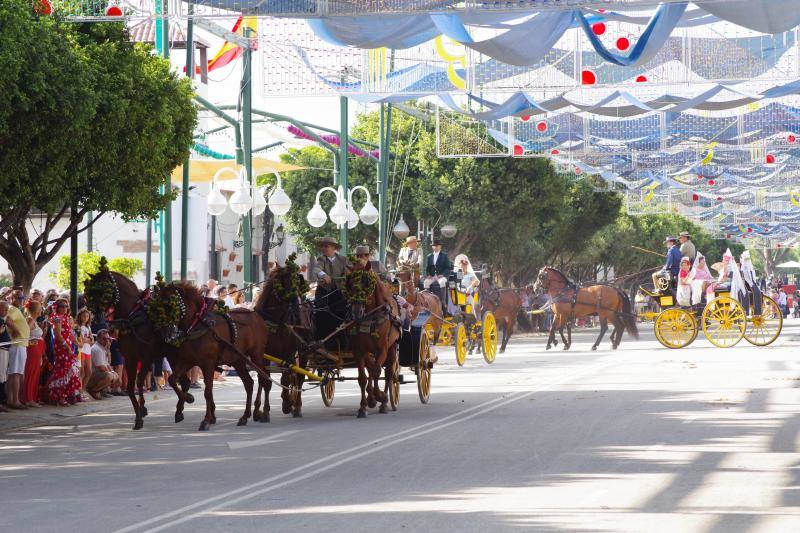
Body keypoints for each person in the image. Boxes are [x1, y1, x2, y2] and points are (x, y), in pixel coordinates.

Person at [46, 299, 81, 406]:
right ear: (57, 307)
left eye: (66, 306)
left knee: (69, 370)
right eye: (62, 306)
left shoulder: (66, 318)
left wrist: (76, 342)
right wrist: (68, 348)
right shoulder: (56, 318)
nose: (65, 308)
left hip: (68, 346)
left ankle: (67, 395)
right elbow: (58, 336)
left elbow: (70, 333)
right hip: (62, 348)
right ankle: (59, 397)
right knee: (62, 371)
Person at [1, 298, 30, 409]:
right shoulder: (12, 309)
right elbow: (8, 320)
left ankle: (11, 399)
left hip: (20, 345)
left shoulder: (16, 309)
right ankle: (14, 400)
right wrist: (16, 330)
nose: (21, 299)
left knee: (14, 373)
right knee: (15, 373)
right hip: (17, 345)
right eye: (18, 297)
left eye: (22, 297)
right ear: (12, 299)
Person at [21, 301, 45, 407]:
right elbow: (25, 334)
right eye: (40, 307)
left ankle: (33, 397)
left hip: (38, 350)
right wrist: (30, 341)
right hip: (33, 350)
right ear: (35, 309)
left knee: (35, 374)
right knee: (30, 374)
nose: (41, 310)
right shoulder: (30, 320)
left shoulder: (34, 321)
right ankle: (28, 398)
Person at [86, 330, 120, 400]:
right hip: (91, 377)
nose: (106, 341)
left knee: (114, 375)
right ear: (98, 338)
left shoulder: (103, 348)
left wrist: (116, 375)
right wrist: (113, 375)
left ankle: (101, 391)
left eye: (108, 339)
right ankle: (94, 390)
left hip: (97, 374)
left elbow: (108, 364)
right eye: (104, 338)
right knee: (109, 376)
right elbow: (102, 368)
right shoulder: (97, 349)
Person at [425, 240, 451, 305]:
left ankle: (443, 301)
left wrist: (443, 274)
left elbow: (448, 267)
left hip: (442, 276)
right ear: (432, 247)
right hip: (432, 276)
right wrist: (428, 275)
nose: (435, 247)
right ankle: (427, 300)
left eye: (437, 246)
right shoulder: (429, 256)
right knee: (426, 282)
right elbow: (427, 268)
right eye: (434, 246)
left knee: (442, 282)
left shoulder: (444, 255)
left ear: (440, 246)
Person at [75, 308, 94, 399]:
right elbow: (82, 339)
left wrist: (88, 340)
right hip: (81, 350)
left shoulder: (88, 327)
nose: (85, 318)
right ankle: (79, 392)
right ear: (80, 316)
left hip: (88, 351)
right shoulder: (78, 326)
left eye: (87, 316)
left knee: (89, 372)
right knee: (81, 372)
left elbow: (92, 340)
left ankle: (82, 390)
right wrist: (88, 340)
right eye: (83, 316)